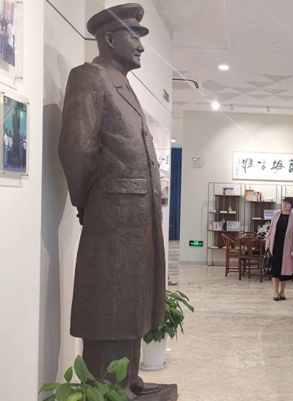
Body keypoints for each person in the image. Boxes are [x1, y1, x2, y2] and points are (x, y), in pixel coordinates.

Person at [58, 4, 167, 397]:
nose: (140, 46)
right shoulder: (90, 76)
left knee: (130, 301)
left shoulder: (122, 83)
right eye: (133, 35)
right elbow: (76, 147)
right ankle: (108, 387)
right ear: (108, 38)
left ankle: (128, 379)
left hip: (134, 217)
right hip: (112, 215)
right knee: (110, 302)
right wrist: (88, 202)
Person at [265, 197, 293, 301]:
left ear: (291, 206)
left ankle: (282, 292)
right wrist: (267, 244)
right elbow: (270, 230)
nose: (284, 205)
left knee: (284, 271)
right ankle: (275, 292)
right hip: (275, 245)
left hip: (287, 247)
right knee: (275, 269)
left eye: (287, 204)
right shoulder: (276, 215)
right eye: (284, 203)